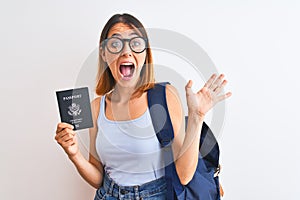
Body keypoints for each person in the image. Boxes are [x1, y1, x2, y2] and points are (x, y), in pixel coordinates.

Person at [55, 13, 231, 200]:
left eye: (135, 44)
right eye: (115, 44)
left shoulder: (165, 96)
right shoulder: (96, 107)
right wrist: (74, 154)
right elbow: (98, 177)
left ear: (145, 53)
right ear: (103, 53)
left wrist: (197, 116)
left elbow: (184, 175)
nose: (126, 52)